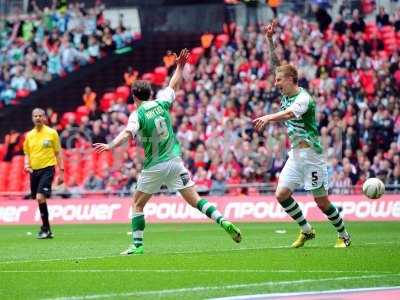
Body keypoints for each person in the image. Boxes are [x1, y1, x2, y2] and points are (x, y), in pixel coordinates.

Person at [94, 49, 241, 255]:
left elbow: (128, 134)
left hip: (154, 166)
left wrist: (110, 145)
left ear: (134, 96)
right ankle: (222, 220)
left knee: (137, 203)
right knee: (195, 200)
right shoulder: (162, 102)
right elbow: (173, 84)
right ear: (150, 93)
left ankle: (137, 245)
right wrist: (180, 66)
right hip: (174, 161)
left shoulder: (137, 114)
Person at [253, 21, 351, 248]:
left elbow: (289, 115)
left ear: (290, 80)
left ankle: (344, 235)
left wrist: (269, 117)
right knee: (281, 194)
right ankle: (306, 230)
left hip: (312, 156)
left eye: (279, 80)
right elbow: (277, 63)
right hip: (295, 156)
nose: (276, 83)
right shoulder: (286, 91)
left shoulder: (303, 99)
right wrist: (269, 40)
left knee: (321, 202)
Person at [23, 108, 64, 239]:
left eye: (40, 116)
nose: (38, 118)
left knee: (40, 197)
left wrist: (61, 172)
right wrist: (26, 164)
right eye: (35, 116)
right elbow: (26, 153)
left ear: (45, 117)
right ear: (32, 118)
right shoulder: (29, 135)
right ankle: (46, 229)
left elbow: (58, 153)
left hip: (48, 168)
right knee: (38, 199)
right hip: (34, 171)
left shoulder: (52, 133)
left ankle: (45, 229)